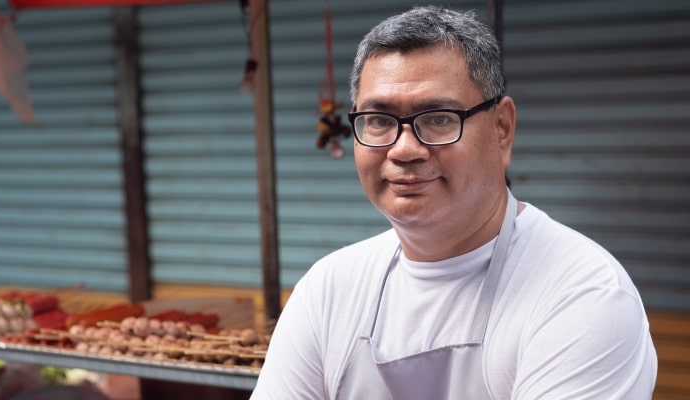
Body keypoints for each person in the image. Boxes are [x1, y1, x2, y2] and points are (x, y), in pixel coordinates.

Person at [251, 5, 657, 399]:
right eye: (379, 120)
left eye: (439, 118)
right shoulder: (329, 291)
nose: (404, 149)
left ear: (502, 129)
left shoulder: (583, 294)